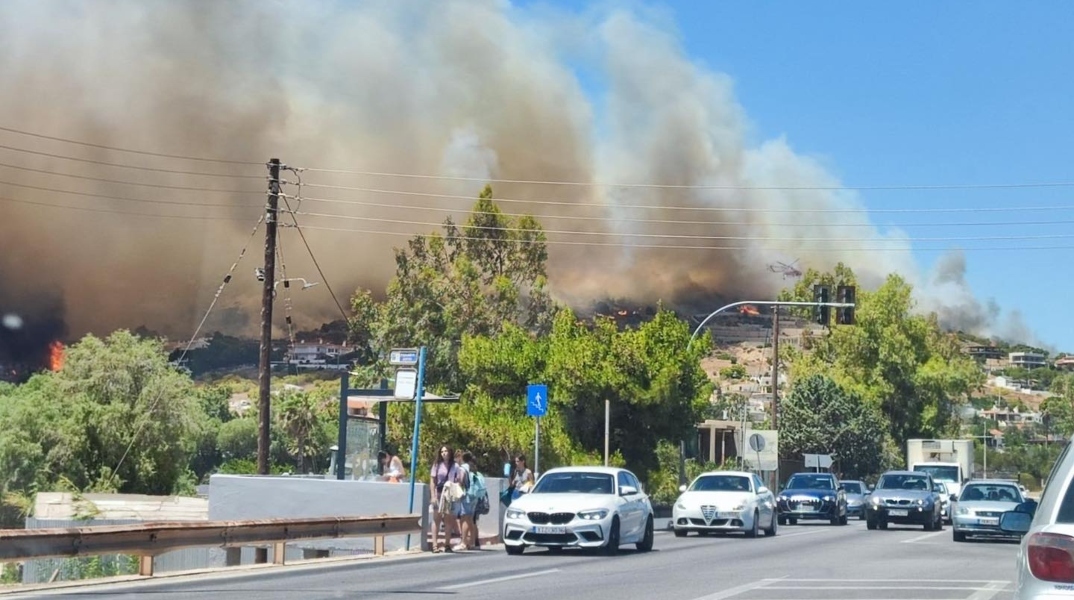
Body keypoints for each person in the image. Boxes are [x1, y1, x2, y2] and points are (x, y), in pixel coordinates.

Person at [429, 444, 459, 553]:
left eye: (446, 451)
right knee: (436, 519)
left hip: (449, 494)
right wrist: (433, 496)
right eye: (442, 451)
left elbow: (458, 479)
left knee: (448, 520)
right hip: (438, 493)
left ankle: (447, 544)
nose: (444, 453)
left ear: (450, 452)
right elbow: (432, 481)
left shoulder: (455, 466)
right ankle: (435, 545)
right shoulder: (437, 465)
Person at [452, 449, 475, 552]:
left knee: (464, 518)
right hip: (473, 496)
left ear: (461, 458)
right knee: (470, 519)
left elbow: (460, 481)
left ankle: (463, 542)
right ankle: (472, 542)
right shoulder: (472, 467)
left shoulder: (462, 468)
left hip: (466, 496)